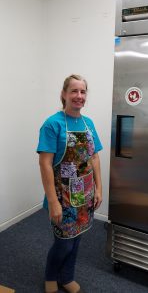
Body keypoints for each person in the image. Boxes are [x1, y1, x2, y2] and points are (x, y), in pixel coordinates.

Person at [37, 74, 103, 293]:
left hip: (84, 195)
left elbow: (94, 158)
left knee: (76, 239)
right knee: (63, 242)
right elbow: (45, 164)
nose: (79, 96)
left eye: (83, 91)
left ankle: (66, 277)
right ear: (64, 94)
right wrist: (53, 202)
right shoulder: (52, 124)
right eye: (74, 91)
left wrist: (99, 189)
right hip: (62, 196)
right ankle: (50, 276)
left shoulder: (88, 123)